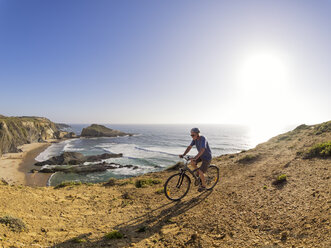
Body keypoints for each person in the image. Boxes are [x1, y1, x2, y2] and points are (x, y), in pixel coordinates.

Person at [179, 127, 212, 192]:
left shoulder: (203, 138)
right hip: (201, 156)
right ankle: (198, 173)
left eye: (193, 135)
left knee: (201, 172)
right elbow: (189, 147)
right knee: (192, 162)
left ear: (197, 134)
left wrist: (195, 158)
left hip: (207, 157)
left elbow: (202, 150)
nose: (192, 136)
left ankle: (203, 186)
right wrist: (183, 154)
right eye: (191, 135)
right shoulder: (195, 139)